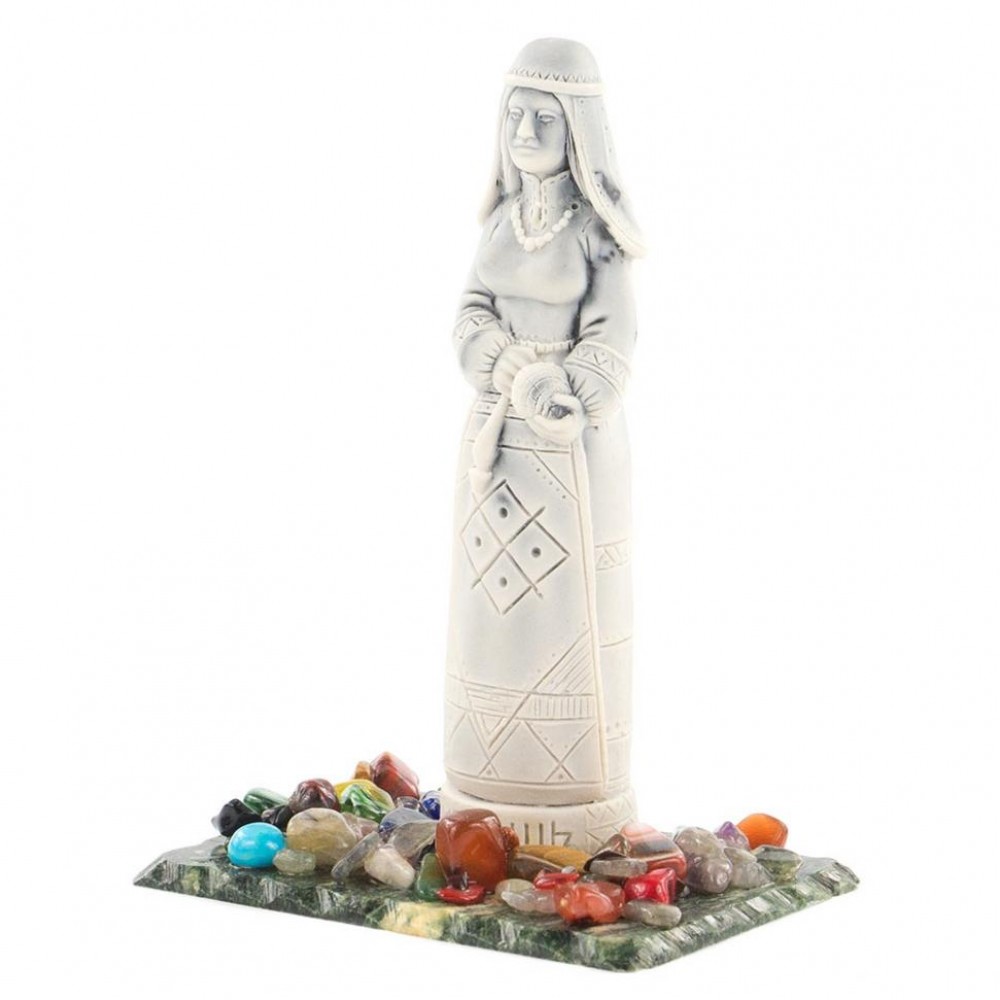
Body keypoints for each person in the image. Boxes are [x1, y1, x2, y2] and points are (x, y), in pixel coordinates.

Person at [442, 38, 643, 849]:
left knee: (563, 614)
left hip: (570, 446)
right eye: (515, 116)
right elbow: (469, 312)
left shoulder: (598, 235)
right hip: (495, 445)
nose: (525, 132)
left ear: (578, 131)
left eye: (545, 118)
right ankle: (485, 788)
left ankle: (570, 797)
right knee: (491, 612)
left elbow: (613, 340)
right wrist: (501, 363)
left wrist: (564, 389)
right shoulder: (498, 223)